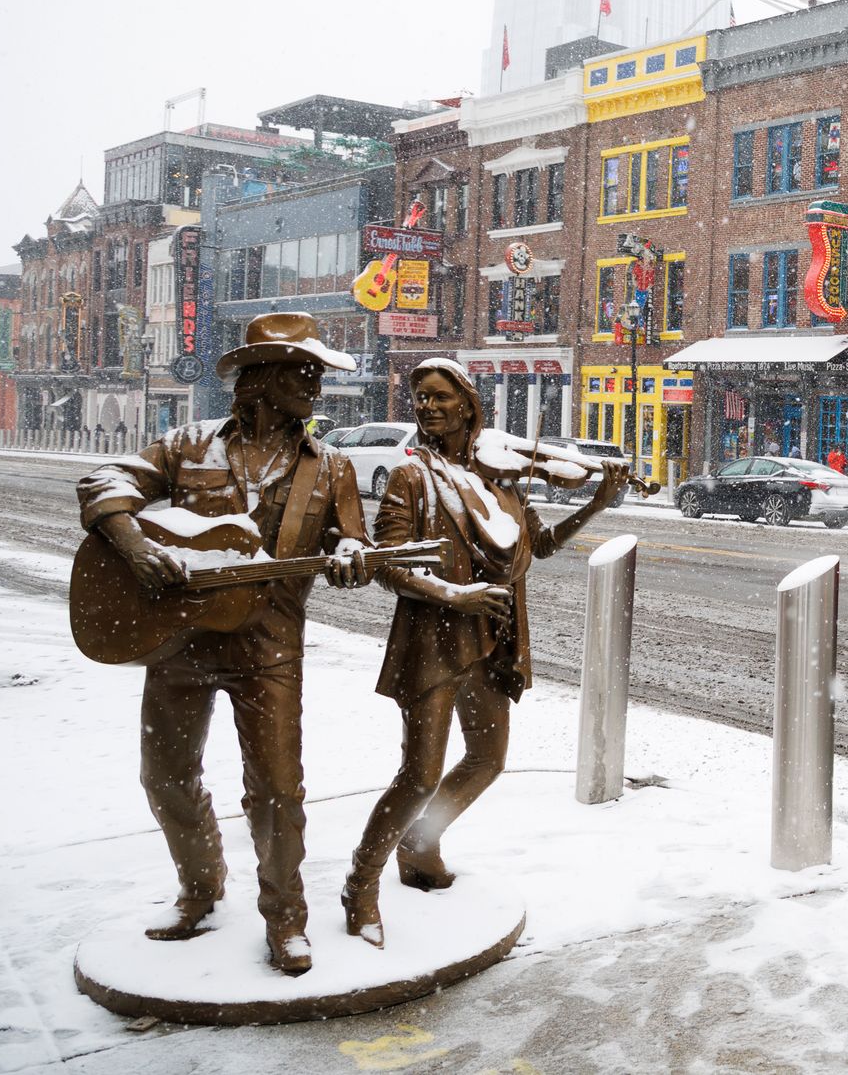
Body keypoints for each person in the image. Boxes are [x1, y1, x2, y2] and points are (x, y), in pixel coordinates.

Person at [76, 312, 371, 975]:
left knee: (276, 790)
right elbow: (104, 483)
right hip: (179, 641)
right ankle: (202, 887)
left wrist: (353, 552)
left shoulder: (332, 468)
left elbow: (352, 541)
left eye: (319, 373)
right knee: (166, 775)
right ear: (259, 377)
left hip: (269, 647)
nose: (316, 385)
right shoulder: (185, 445)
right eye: (304, 371)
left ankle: (286, 917)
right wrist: (136, 544)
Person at [342, 358, 629, 948]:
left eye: (440, 397)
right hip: (433, 642)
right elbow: (388, 567)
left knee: (487, 759)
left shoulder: (501, 479)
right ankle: (361, 882)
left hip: (493, 639)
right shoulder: (411, 477)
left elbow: (539, 547)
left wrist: (596, 504)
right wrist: (456, 594)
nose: (428, 407)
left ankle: (421, 843)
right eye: (420, 398)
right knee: (418, 774)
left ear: (468, 405)